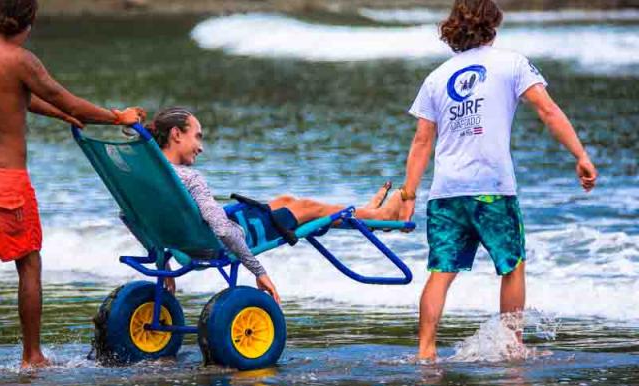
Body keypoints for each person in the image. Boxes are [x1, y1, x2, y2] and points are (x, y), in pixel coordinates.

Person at [0, 0, 146, 372]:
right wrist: (118, 116)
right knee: (30, 265)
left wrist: (61, 113)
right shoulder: (22, 60)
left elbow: (17, 96)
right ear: (30, 22)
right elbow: (64, 97)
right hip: (6, 185)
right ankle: (32, 356)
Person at [399, 0, 598, 362]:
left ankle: (425, 351)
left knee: (441, 272)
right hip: (492, 188)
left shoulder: (437, 77)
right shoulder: (512, 63)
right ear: (493, 26)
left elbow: (422, 141)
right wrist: (580, 155)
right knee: (512, 266)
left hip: (445, 193)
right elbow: (547, 110)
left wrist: (408, 194)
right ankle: (513, 345)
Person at [146, 107, 405, 303]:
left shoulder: (152, 177)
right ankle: (380, 215)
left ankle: (368, 213)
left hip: (191, 239)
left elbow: (130, 216)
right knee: (307, 208)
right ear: (176, 134)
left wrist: (163, 263)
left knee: (285, 201)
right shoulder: (190, 178)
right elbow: (223, 231)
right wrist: (259, 272)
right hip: (225, 239)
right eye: (197, 137)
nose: (200, 147)